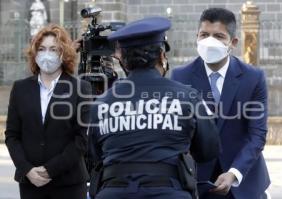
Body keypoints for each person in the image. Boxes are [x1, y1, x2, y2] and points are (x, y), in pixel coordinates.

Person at [88, 16, 220, 199]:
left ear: (124, 61)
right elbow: (208, 150)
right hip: (169, 192)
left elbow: (95, 155)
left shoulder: (102, 103)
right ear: (161, 56)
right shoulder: (187, 97)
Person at [171, 8, 270, 199]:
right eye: (204, 35)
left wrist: (234, 173)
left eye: (218, 36)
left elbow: (257, 135)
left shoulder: (253, 78)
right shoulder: (180, 76)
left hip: (243, 182)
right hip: (199, 182)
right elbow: (178, 131)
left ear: (233, 42)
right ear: (196, 38)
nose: (210, 41)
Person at [5, 24, 92, 199]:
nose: (47, 54)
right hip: (31, 183)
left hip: (69, 184)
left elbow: (81, 139)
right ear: (35, 53)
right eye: (42, 48)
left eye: (53, 49)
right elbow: (12, 135)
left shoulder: (80, 88)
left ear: (63, 53)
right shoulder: (21, 88)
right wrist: (27, 169)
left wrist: (50, 170)